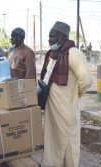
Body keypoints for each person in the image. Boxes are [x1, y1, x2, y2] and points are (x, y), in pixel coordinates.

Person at [41, 21, 92, 167]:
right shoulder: (53, 54)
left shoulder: (74, 53)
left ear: (63, 36)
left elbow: (86, 80)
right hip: (52, 109)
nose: (49, 39)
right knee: (53, 141)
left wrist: (75, 95)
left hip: (67, 109)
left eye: (53, 36)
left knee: (68, 142)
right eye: (48, 36)